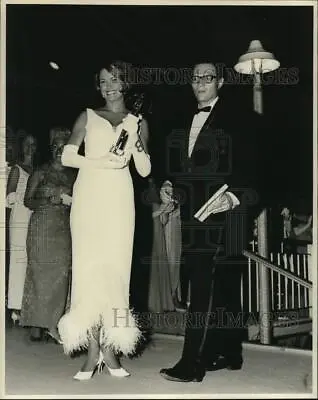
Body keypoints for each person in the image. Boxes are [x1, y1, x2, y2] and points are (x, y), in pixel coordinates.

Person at [158, 61, 263, 382]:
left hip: (226, 213)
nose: (200, 82)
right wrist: (169, 185)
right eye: (194, 78)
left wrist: (233, 198)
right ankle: (229, 352)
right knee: (224, 284)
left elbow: (259, 166)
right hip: (194, 216)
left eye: (207, 77)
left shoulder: (241, 119)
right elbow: (183, 168)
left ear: (220, 81)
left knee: (203, 286)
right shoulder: (184, 120)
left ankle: (193, 363)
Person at [57, 60, 151, 380]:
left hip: (119, 200)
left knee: (115, 272)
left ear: (127, 83)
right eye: (103, 80)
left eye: (115, 79)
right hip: (89, 196)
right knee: (89, 270)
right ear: (97, 85)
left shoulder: (137, 121)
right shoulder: (88, 115)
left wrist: (135, 136)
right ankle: (93, 352)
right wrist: (99, 161)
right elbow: (67, 156)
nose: (109, 85)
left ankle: (111, 350)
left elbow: (145, 170)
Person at [20, 127, 75, 342]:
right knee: (39, 273)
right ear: (51, 149)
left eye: (64, 147)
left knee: (60, 274)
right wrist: (47, 200)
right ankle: (36, 324)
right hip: (41, 226)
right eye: (56, 147)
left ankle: (54, 323)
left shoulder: (73, 175)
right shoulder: (41, 172)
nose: (59, 151)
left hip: (63, 228)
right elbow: (27, 201)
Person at [6, 133, 37, 325]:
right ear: (21, 146)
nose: (30, 148)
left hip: (34, 218)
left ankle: (27, 305)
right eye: (27, 144)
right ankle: (15, 307)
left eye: (33, 145)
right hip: (19, 216)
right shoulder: (17, 169)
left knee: (29, 260)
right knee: (18, 259)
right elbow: (8, 197)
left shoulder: (38, 169)